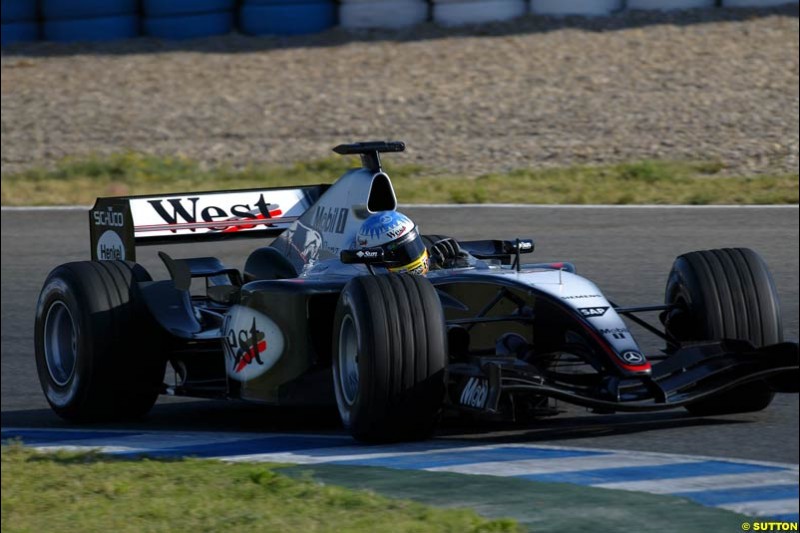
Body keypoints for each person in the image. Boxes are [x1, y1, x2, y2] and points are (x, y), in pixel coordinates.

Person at [356, 211, 467, 274]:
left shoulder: (436, 257)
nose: (409, 254)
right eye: (398, 253)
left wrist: (460, 264)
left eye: (412, 245)